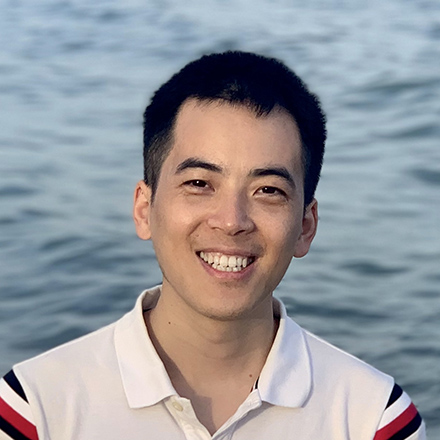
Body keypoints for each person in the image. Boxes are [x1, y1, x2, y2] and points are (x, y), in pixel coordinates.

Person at [0, 51, 426, 440]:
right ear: (145, 209)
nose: (232, 221)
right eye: (199, 183)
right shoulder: (35, 410)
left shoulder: (374, 420)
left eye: (269, 190)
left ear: (305, 226)